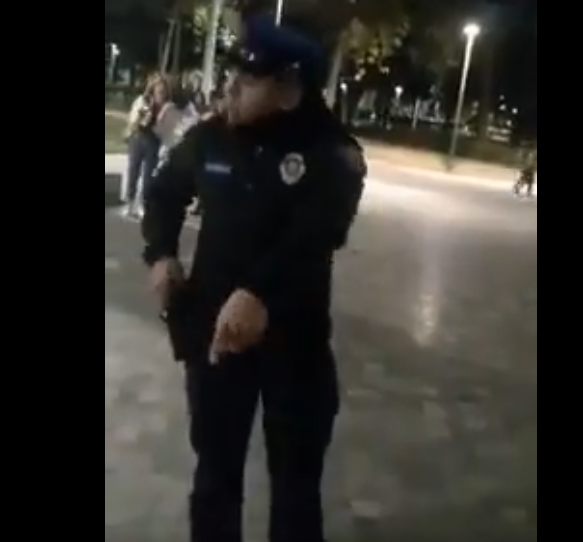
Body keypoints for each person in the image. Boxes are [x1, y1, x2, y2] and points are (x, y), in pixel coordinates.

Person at [141, 15, 366, 542]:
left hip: (294, 342)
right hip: (217, 341)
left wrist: (259, 292)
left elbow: (318, 231)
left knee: (295, 487)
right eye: (232, 75)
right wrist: (161, 252)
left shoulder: (333, 153)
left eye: (248, 79)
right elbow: (164, 192)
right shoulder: (212, 137)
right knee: (214, 476)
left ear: (288, 90)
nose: (230, 88)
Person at [121, 74, 180, 219]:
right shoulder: (143, 100)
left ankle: (143, 204)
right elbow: (134, 119)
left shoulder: (168, 107)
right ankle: (130, 202)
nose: (161, 95)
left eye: (163, 92)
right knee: (133, 171)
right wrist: (138, 120)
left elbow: (167, 130)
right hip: (138, 138)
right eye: (159, 91)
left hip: (153, 140)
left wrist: (161, 117)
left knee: (148, 175)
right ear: (152, 90)